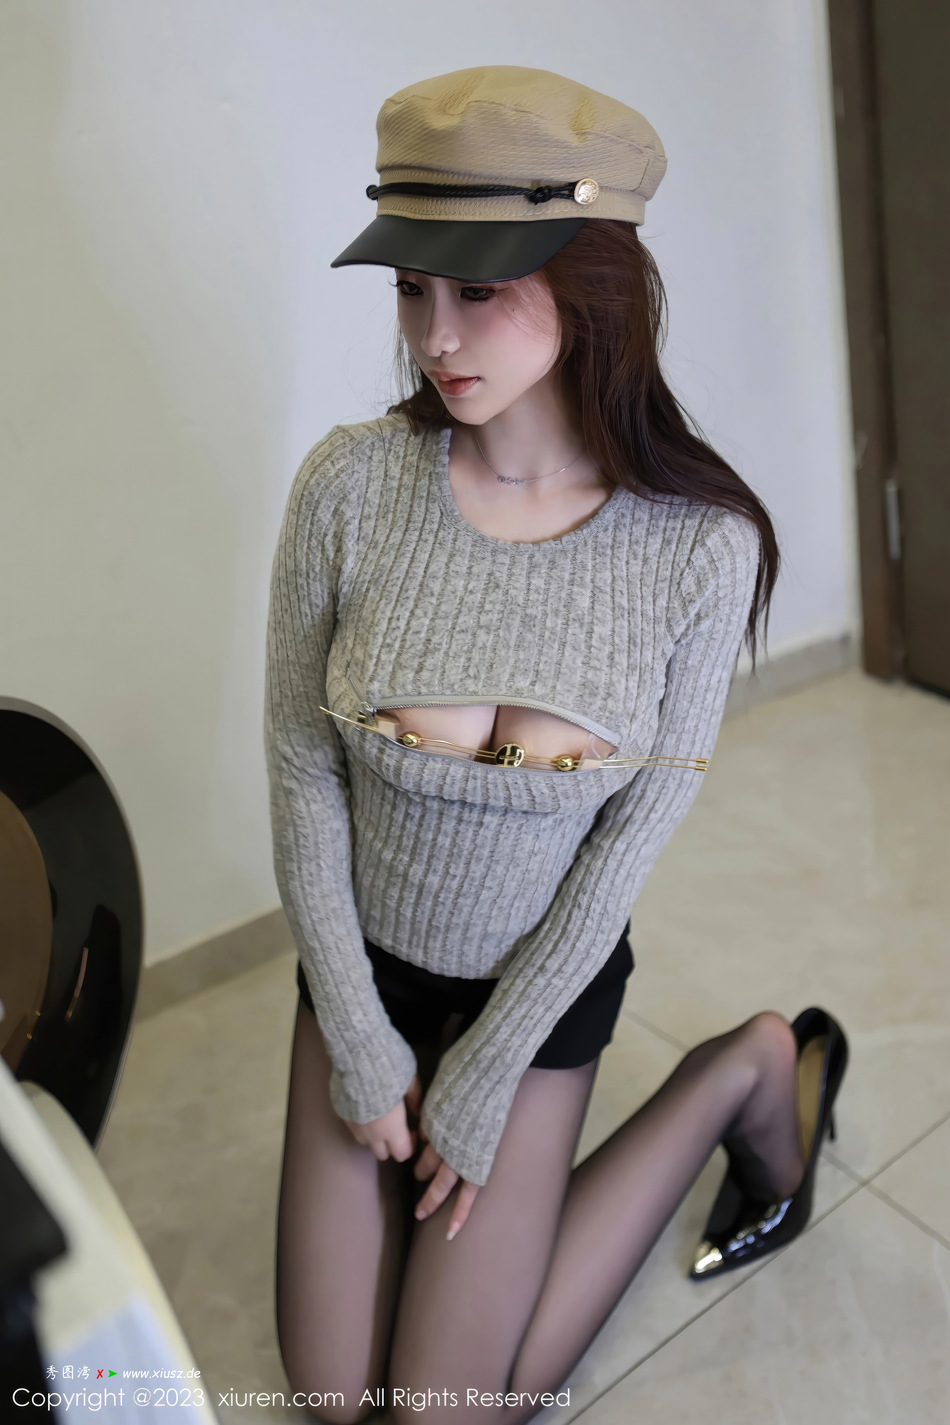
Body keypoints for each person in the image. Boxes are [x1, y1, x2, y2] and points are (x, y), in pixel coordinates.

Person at [265, 66, 848, 1425]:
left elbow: (629, 836)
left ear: (594, 285)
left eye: (478, 290)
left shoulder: (696, 548)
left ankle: (743, 1069)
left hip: (539, 991)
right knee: (331, 1394)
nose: (435, 334)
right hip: (365, 966)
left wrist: (487, 1070)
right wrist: (357, 1034)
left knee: (444, 1411)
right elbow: (299, 771)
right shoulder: (349, 487)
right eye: (411, 287)